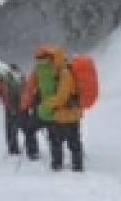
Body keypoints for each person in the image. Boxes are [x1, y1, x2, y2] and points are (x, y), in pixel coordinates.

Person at [21, 44, 84, 172]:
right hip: (68, 112)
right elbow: (30, 86)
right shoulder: (58, 70)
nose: (45, 62)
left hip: (60, 113)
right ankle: (75, 167)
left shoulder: (63, 73)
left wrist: (43, 105)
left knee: (57, 140)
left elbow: (61, 97)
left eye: (47, 59)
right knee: (71, 141)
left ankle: (58, 165)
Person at [0, 65, 40, 159]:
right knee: (27, 129)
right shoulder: (21, 78)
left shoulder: (2, 79)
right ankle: (32, 150)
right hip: (22, 107)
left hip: (11, 107)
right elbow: (29, 91)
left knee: (11, 129)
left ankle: (13, 150)